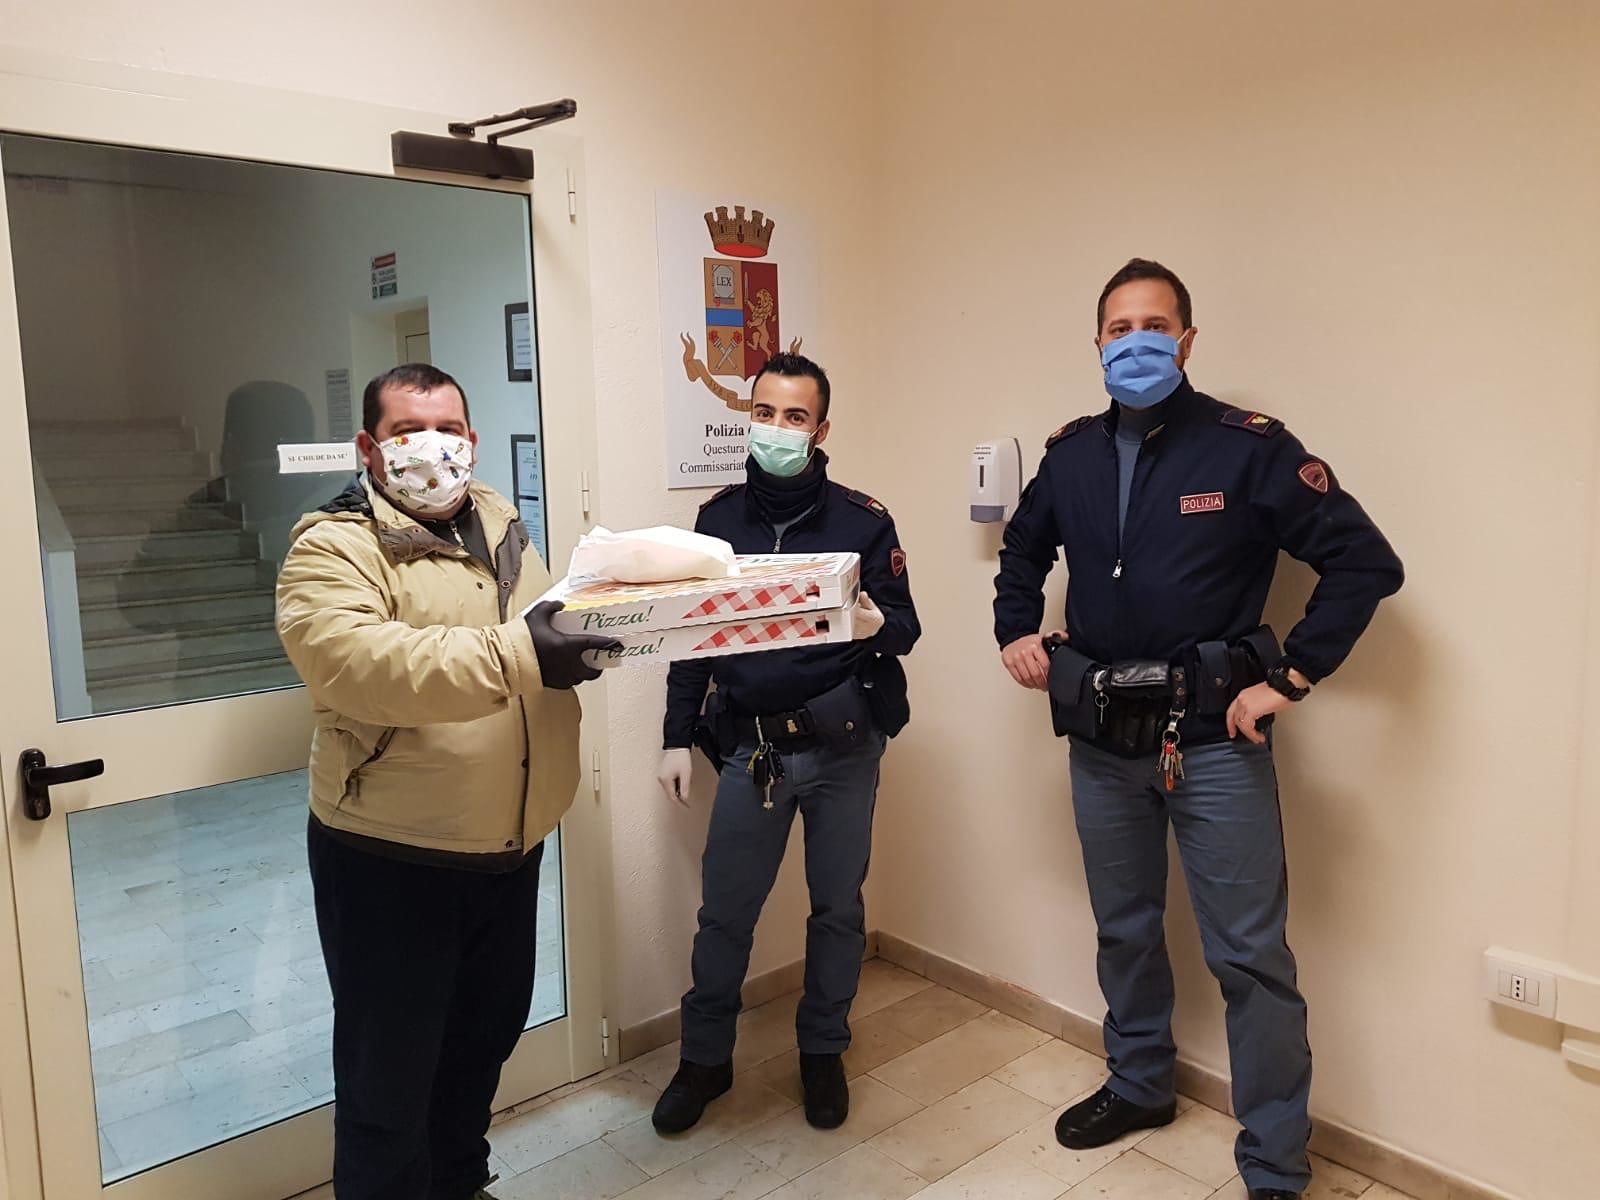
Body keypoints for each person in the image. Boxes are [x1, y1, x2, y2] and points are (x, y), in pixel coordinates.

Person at [992, 261, 1403, 1200]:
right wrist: (1015, 626)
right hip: (1101, 741)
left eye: (1155, 325)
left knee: (1251, 958)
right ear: (1097, 343)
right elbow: (1022, 548)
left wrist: (1291, 678)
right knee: (1124, 930)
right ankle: (1140, 1084)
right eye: (1118, 327)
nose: (1135, 340)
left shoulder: (1247, 448)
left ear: (1186, 340)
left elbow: (1363, 563)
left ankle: (1275, 1160)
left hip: (1214, 740)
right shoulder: (1071, 454)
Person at [276, 363, 617, 1200]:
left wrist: (599, 637)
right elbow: (359, 663)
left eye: (448, 429)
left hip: (508, 846)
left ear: (472, 438)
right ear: (370, 447)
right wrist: (527, 654)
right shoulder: (332, 544)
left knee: (478, 1048)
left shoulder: (498, 519)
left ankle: (461, 1184)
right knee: (387, 1085)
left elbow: (543, 626)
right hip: (392, 857)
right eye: (406, 431)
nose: (431, 447)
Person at [652, 352, 921, 1134]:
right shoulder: (718, 521)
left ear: (820, 429)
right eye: (765, 413)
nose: (777, 428)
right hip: (752, 750)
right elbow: (692, 639)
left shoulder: (863, 521)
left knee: (837, 910)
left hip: (843, 745)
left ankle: (821, 1051)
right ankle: (704, 1060)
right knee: (725, 913)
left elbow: (906, 628)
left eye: (794, 417)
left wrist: (874, 622)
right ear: (750, 417)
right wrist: (675, 737)